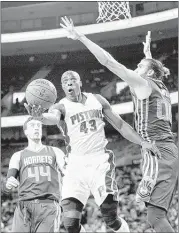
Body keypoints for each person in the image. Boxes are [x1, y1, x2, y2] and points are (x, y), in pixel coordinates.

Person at [60, 17, 178, 233]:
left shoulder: (144, 83)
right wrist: (148, 57)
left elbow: (108, 61)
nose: (135, 68)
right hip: (167, 148)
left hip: (157, 149)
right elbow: (152, 74)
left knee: (155, 217)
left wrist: (81, 37)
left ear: (149, 73)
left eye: (139, 66)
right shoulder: (161, 86)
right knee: (153, 215)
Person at [25, 70, 161, 233]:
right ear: (62, 87)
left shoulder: (97, 100)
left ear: (80, 82)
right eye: (65, 80)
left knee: (110, 219)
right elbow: (52, 118)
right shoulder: (60, 106)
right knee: (70, 224)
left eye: (72, 79)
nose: (69, 81)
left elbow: (121, 125)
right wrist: (40, 118)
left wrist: (143, 142)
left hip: (99, 162)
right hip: (75, 166)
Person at [3, 117, 65, 233]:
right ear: (26, 131)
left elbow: (67, 172)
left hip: (48, 205)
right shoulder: (18, 155)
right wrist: (9, 182)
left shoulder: (55, 151)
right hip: (24, 206)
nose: (36, 127)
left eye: (39, 125)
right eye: (32, 125)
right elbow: (8, 182)